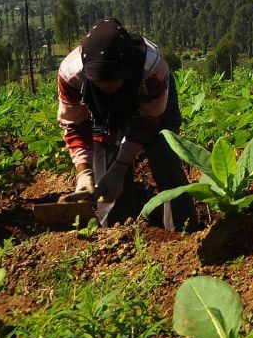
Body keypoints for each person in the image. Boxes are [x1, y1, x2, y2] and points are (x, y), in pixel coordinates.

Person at [58, 17, 197, 230]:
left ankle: (183, 230)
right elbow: (73, 124)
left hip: (150, 99)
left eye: (114, 81)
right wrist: (84, 171)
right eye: (101, 83)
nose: (108, 87)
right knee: (105, 166)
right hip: (100, 108)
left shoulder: (152, 69)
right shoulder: (70, 74)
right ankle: (116, 233)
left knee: (164, 154)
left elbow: (147, 123)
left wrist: (120, 167)